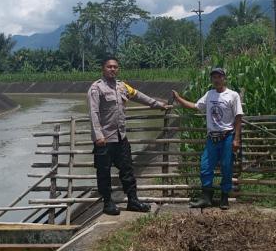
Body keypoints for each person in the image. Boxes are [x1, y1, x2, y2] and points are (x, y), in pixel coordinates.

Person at [88, 57, 169, 215]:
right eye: (109, 66)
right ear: (103, 68)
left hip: (120, 137)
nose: (112, 69)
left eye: (115, 67)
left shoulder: (122, 86)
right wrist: (98, 135)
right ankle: (108, 203)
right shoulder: (96, 88)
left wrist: (157, 104)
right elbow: (93, 113)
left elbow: (138, 96)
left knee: (128, 169)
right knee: (103, 172)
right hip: (104, 139)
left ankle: (133, 200)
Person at [172, 67, 243, 210]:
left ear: (224, 78)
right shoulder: (209, 94)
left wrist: (236, 139)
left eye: (219, 77)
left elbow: (238, 117)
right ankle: (206, 197)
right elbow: (196, 106)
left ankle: (224, 197)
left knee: (226, 167)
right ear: (212, 79)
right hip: (212, 138)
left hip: (227, 137)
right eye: (214, 77)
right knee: (205, 166)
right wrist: (179, 99)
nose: (217, 80)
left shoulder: (233, 95)